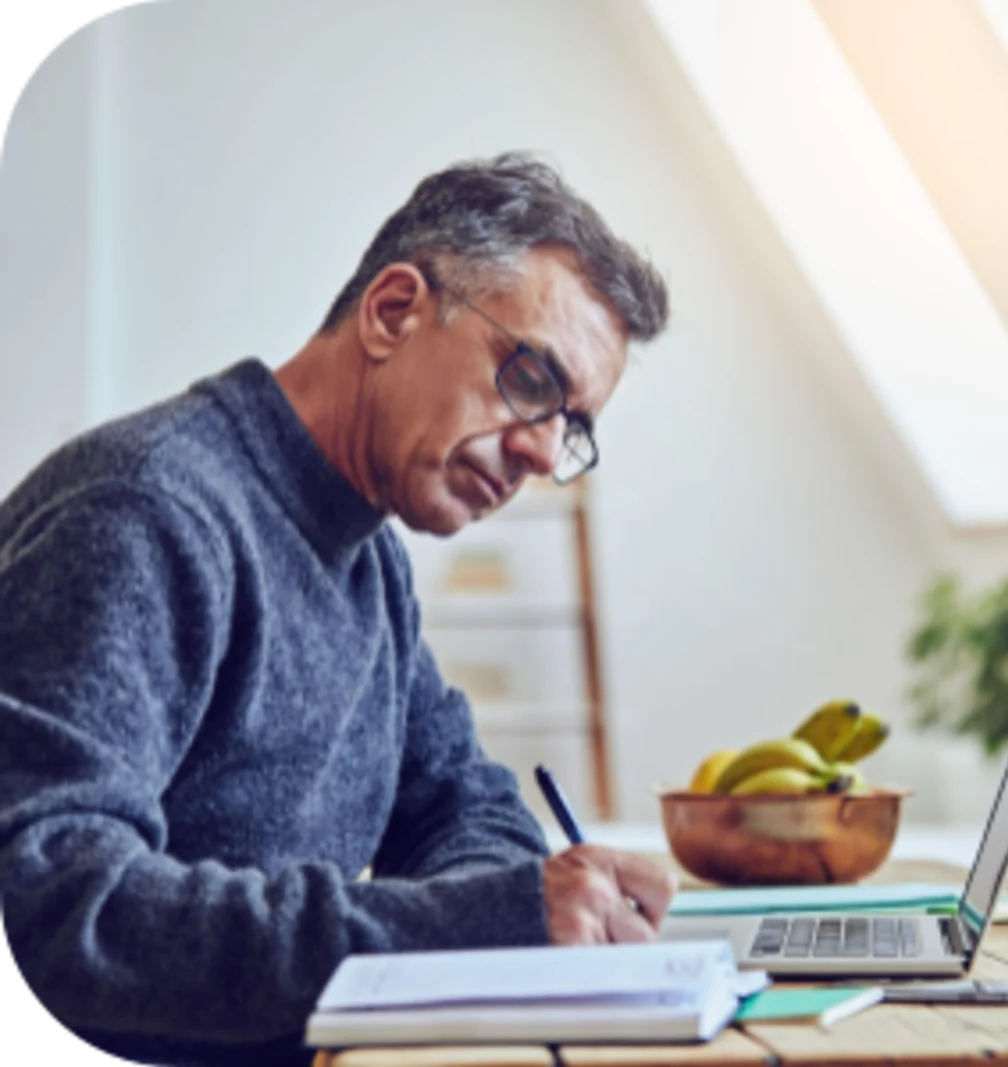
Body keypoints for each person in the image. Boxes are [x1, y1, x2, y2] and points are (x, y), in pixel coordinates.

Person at [0, 153, 677, 1067]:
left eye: (573, 427)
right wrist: (477, 923)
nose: (538, 452)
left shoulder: (370, 562)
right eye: (528, 381)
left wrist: (494, 916)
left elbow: (464, 807)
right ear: (393, 311)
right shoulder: (144, 511)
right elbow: (48, 904)